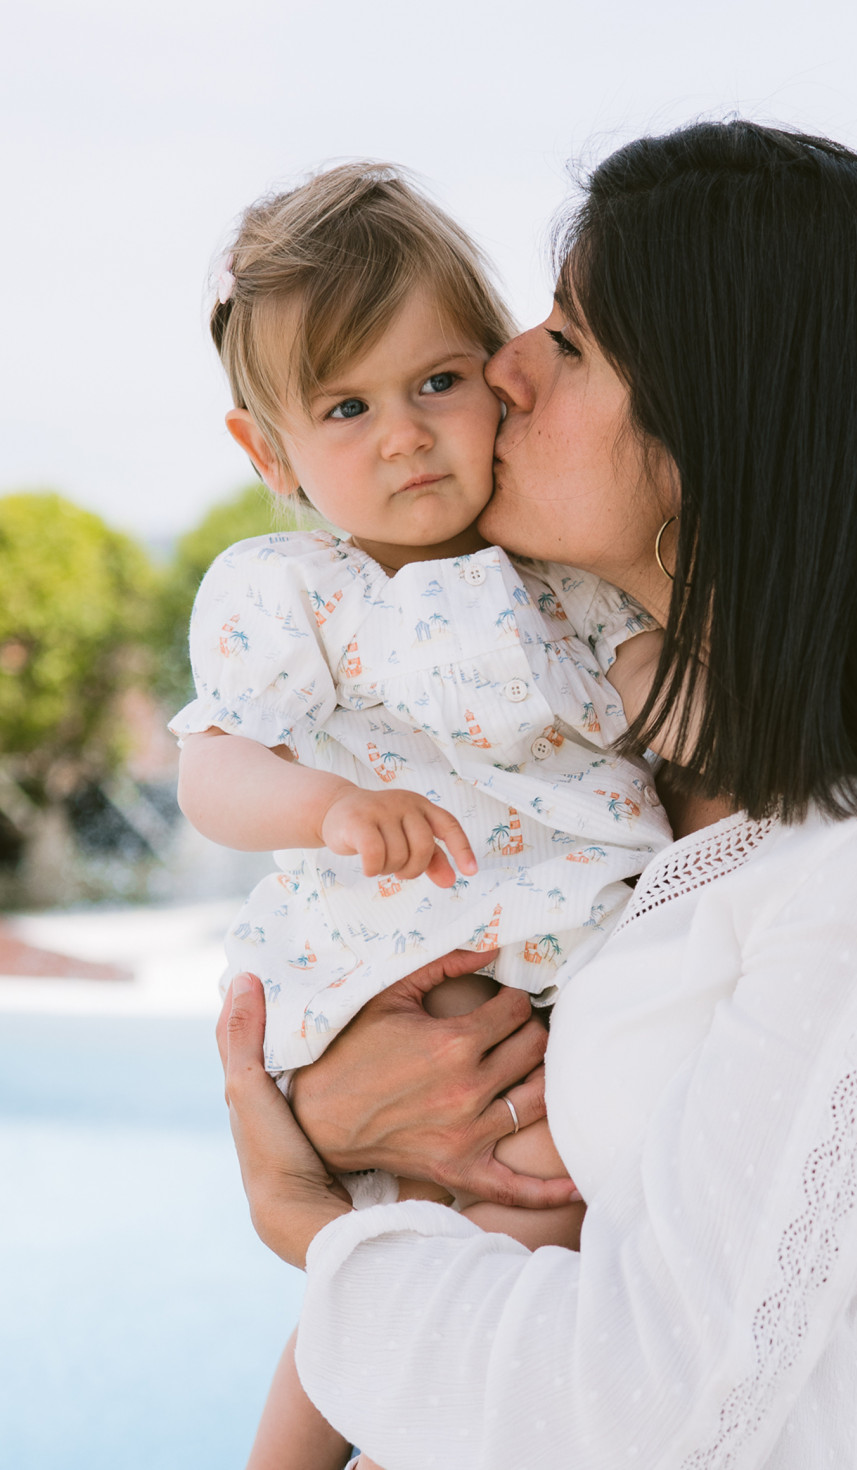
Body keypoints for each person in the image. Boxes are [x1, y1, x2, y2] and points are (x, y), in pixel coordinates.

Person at [216, 121, 857, 1470]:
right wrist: (332, 1106)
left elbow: (654, 1412)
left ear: (731, 425)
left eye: (570, 343)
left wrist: (311, 1216)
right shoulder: (621, 758)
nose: (503, 367)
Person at [171, 163, 670, 1468]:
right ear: (267, 449)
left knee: (490, 1235)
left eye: (433, 382)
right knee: (454, 1228)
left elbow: (642, 689)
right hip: (392, 957)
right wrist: (326, 804)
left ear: (494, 372)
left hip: (551, 966)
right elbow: (208, 765)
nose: (402, 433)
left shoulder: (558, 578)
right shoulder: (301, 595)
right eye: (347, 406)